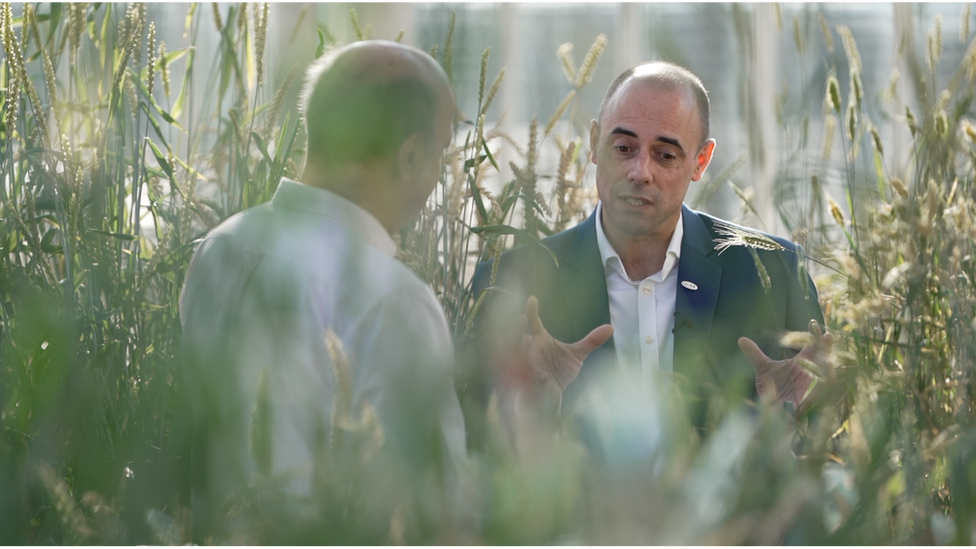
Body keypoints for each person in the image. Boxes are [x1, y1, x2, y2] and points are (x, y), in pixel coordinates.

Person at [179, 40, 468, 535]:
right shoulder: (395, 299)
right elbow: (433, 506)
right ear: (412, 155)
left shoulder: (220, 248)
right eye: (440, 152)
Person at [473, 61, 829, 436]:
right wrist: (531, 405)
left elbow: (821, 452)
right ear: (594, 143)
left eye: (665, 155)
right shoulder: (513, 283)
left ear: (700, 161)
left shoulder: (775, 274)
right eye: (624, 147)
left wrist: (795, 417)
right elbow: (475, 453)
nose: (640, 171)